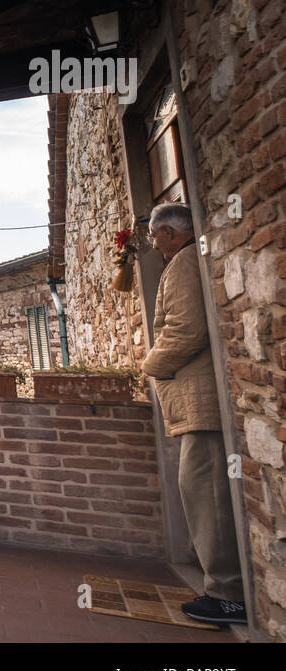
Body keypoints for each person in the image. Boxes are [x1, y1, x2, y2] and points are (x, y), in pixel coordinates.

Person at [140, 202, 245, 625]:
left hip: (199, 403)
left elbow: (187, 330)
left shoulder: (183, 264)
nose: (151, 242)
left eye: (153, 233)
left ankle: (228, 595)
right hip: (196, 403)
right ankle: (222, 589)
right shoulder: (185, 261)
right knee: (202, 491)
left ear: (169, 232)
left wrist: (150, 366)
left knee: (207, 495)